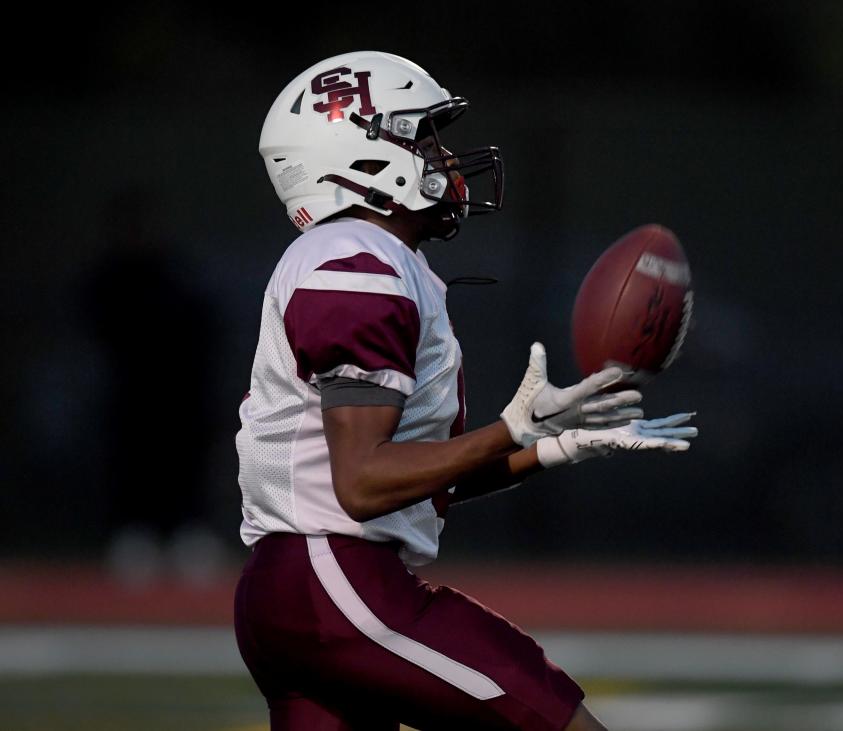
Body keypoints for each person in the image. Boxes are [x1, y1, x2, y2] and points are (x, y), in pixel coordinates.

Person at [234, 51, 697, 731]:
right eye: (422, 137)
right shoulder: (357, 265)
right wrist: (511, 429)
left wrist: (553, 445)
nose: (444, 158)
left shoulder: (368, 259)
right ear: (360, 154)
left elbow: (408, 477)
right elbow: (362, 483)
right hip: (336, 578)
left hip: (300, 587)